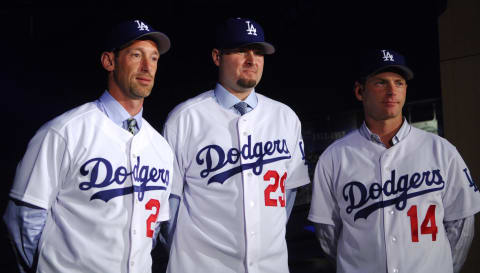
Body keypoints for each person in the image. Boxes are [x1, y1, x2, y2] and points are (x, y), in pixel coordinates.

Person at [3, 19, 174, 273]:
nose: (147, 67)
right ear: (109, 61)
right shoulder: (64, 132)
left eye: (154, 58)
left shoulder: (161, 148)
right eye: (136, 55)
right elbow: (23, 221)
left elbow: (154, 232)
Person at [308, 49, 480, 273]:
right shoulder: (334, 156)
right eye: (380, 83)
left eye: (398, 83)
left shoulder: (441, 150)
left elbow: (461, 224)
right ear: (360, 91)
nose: (391, 91)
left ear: (406, 89)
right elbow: (327, 233)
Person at [162, 17, 310, 273]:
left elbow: (288, 194)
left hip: (269, 265)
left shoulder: (285, 117)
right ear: (217, 56)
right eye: (241, 50)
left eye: (259, 52)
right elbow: (168, 204)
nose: (252, 60)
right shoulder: (185, 117)